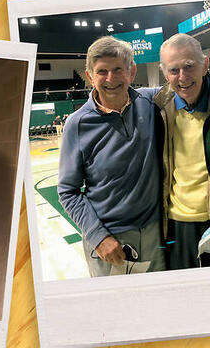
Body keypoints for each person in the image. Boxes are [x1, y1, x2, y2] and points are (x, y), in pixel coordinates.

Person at [57, 36, 165, 277]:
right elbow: (67, 191)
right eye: (102, 71)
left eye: (118, 69)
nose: (110, 79)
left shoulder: (152, 101)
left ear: (132, 71)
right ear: (89, 76)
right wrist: (98, 236)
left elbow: (189, 84)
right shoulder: (77, 124)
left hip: (154, 234)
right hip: (109, 243)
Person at [153, 33, 210, 270]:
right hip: (179, 223)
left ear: (205, 64)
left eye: (189, 66)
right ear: (164, 73)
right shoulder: (159, 108)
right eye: (174, 70)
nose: (182, 77)